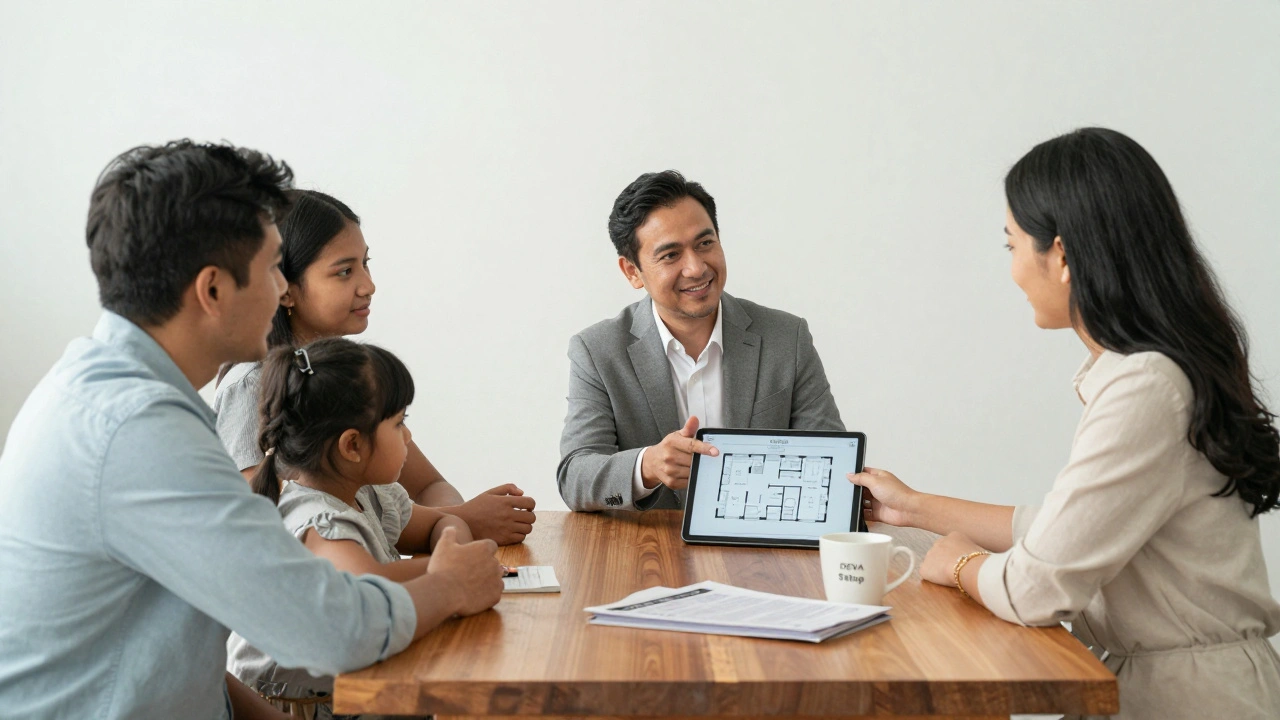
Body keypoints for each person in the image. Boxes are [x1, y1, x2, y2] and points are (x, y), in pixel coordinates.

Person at [0, 141, 504, 720]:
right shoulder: (139, 431)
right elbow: (329, 630)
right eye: (271, 268)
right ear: (212, 290)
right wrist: (450, 586)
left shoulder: (99, 389)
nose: (280, 289)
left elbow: (177, 656)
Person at [852, 128, 1280, 719]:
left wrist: (958, 563)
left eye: (1011, 246)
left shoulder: (1146, 387)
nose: (1011, 272)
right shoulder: (1152, 371)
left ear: (1062, 255)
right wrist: (912, 507)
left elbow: (1036, 586)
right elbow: (1063, 531)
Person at [215, 189, 536, 545]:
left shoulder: (344, 374)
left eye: (366, 264)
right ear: (285, 290)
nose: (368, 285)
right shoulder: (249, 386)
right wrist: (462, 521)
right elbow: (265, 533)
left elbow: (430, 485)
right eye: (345, 271)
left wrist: (451, 528)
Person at [558, 170, 845, 512]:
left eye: (705, 244)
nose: (696, 268)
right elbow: (575, 478)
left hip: (760, 552)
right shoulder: (598, 351)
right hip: (649, 553)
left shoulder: (787, 337)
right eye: (670, 255)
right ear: (632, 272)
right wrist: (648, 466)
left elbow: (832, 461)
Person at [228, 339, 469, 717]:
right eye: (399, 423)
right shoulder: (317, 520)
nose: (407, 437)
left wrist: (454, 551)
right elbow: (365, 598)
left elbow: (443, 520)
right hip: (314, 709)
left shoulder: (371, 494)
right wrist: (451, 573)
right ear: (352, 446)